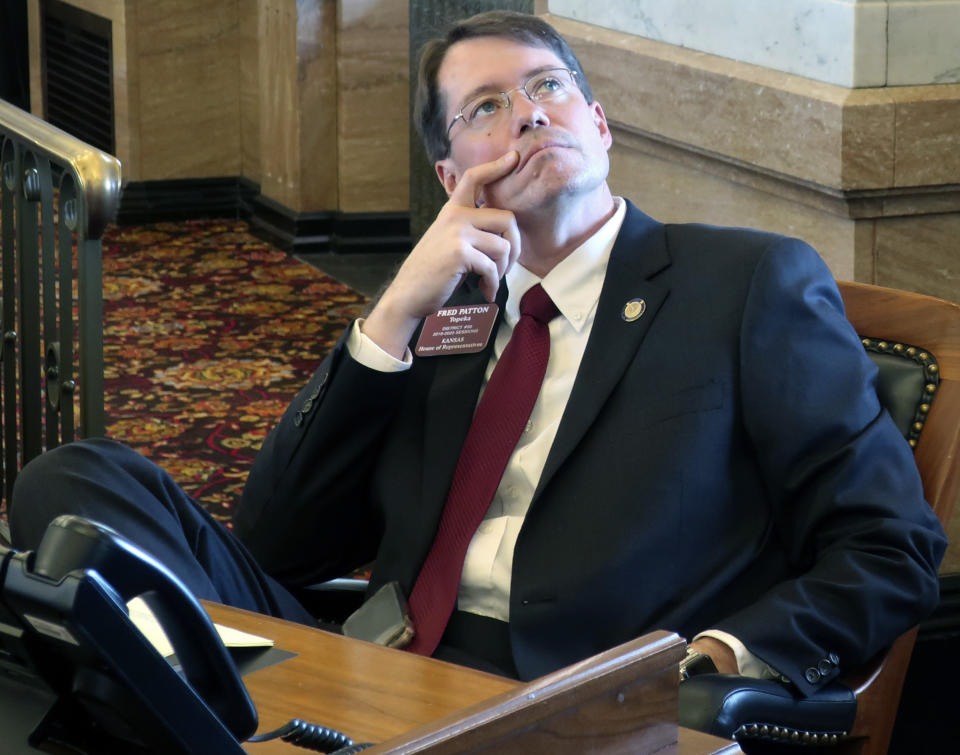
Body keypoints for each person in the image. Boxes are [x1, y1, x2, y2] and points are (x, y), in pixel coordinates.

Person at [10, 11, 945, 696]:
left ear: (601, 123)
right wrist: (390, 319)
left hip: (564, 694)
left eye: (548, 88)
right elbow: (277, 548)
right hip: (372, 658)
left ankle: (178, 703)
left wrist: (716, 662)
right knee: (75, 478)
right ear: (452, 178)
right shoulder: (446, 310)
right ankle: (187, 696)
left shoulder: (745, 284)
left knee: (103, 673)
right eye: (488, 107)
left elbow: (889, 548)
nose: (531, 116)